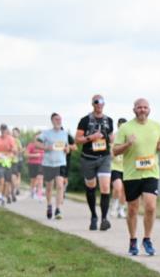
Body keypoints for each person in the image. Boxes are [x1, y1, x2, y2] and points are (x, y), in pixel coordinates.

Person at [113, 98, 160, 256]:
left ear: (149, 109)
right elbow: (115, 151)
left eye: (145, 107)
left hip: (151, 172)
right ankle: (133, 239)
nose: (142, 110)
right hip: (131, 174)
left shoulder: (157, 126)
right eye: (139, 107)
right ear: (134, 109)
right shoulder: (126, 128)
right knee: (132, 209)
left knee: (150, 207)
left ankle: (147, 239)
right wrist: (127, 144)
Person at [75, 94, 115, 231]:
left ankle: (104, 219)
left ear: (104, 104)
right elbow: (77, 140)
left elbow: (110, 137)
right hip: (88, 158)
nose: (99, 104)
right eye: (96, 102)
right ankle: (93, 216)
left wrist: (111, 138)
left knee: (105, 188)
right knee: (91, 187)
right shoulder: (85, 120)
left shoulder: (109, 120)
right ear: (92, 104)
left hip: (104, 157)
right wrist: (91, 137)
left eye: (102, 102)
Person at [36, 113, 70, 220]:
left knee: (60, 185)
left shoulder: (64, 133)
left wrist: (66, 149)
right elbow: (36, 144)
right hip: (48, 163)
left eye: (60, 119)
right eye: (56, 119)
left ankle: (58, 209)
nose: (59, 121)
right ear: (52, 121)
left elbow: (67, 147)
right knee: (49, 187)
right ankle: (49, 205)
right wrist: (46, 147)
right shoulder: (46, 133)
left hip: (61, 163)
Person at [0, 124, 18, 205]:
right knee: (1, 179)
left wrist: (12, 151)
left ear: (7, 130)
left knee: (7, 182)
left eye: (4, 129)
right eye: (2, 129)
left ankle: (2, 196)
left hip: (8, 162)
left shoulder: (11, 139)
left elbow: (15, 151)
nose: (3, 131)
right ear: (0, 130)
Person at [110, 118, 128, 219]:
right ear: (117, 125)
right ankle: (114, 205)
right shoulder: (114, 137)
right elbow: (111, 150)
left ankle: (121, 209)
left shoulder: (129, 137)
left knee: (124, 190)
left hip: (126, 167)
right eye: (120, 125)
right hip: (115, 166)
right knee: (117, 187)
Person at [25, 135, 45, 199]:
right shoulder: (31, 145)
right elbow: (26, 154)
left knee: (40, 178)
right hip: (32, 164)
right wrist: (34, 155)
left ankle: (39, 194)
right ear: (34, 139)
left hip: (41, 164)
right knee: (33, 180)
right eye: (36, 138)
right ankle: (33, 192)